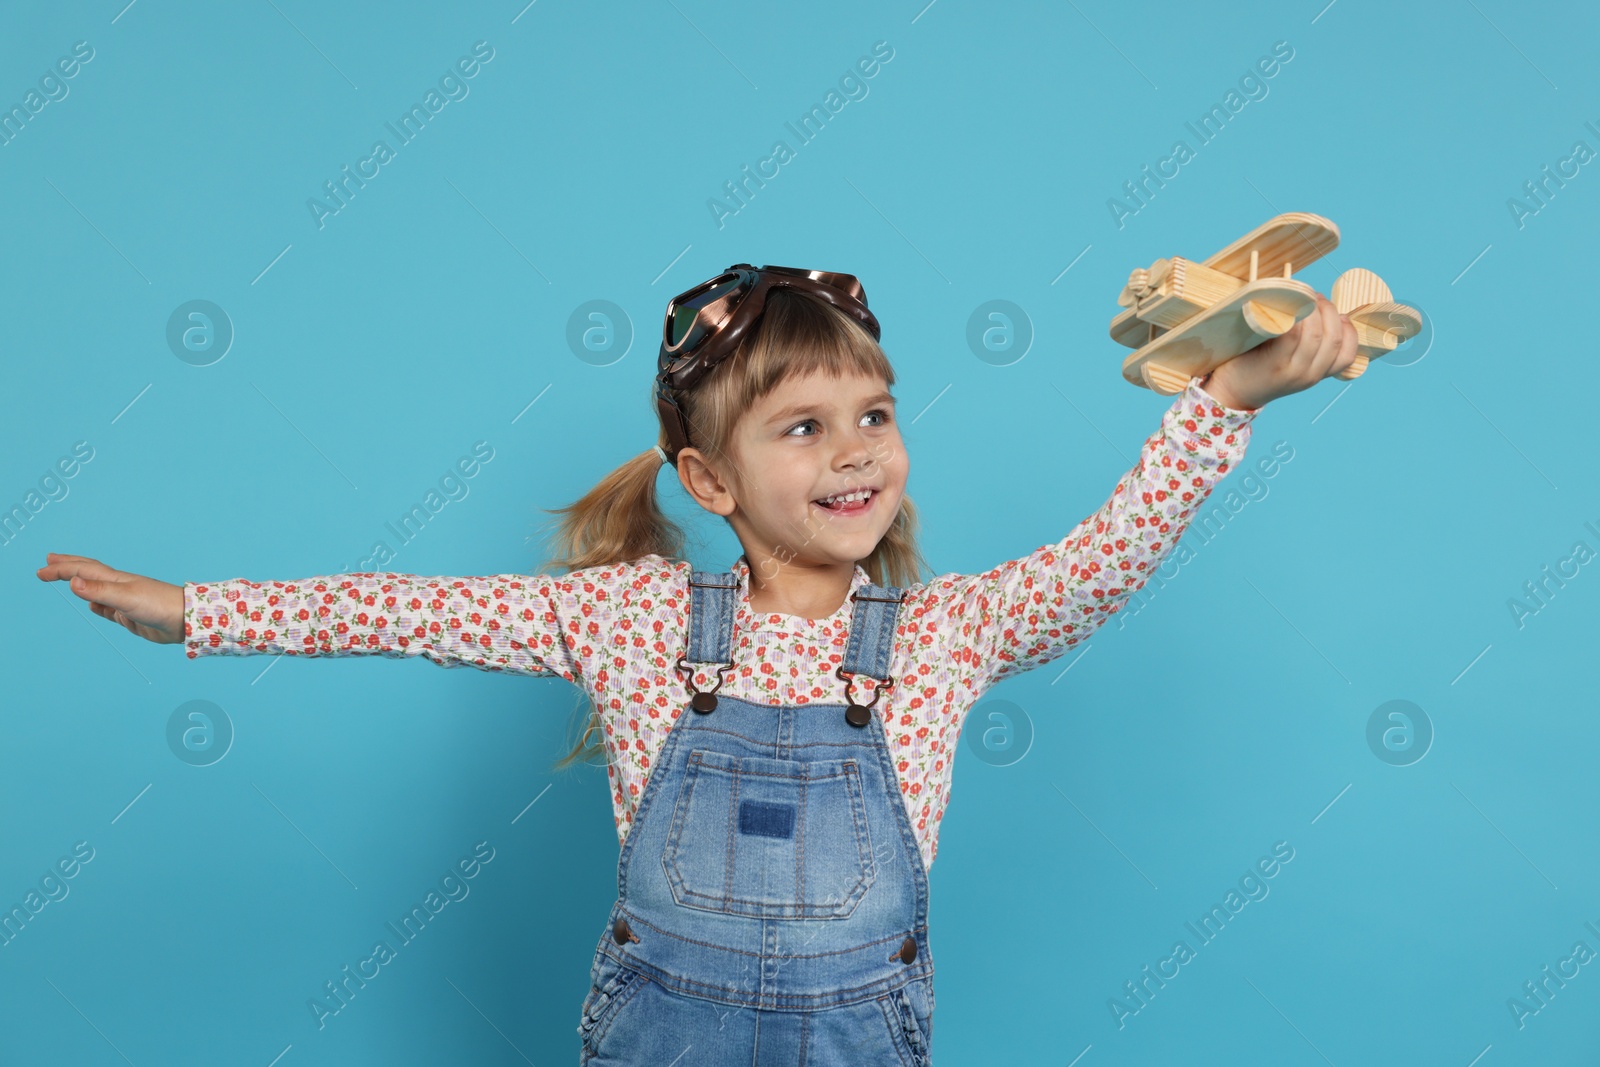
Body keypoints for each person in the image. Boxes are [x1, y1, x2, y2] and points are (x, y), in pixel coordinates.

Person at [36, 263, 1358, 1064]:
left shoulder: (950, 635)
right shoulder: (633, 620)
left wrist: (1221, 403)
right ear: (708, 478)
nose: (854, 451)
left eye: (874, 416)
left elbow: (1110, 555)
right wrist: (195, 610)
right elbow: (401, 608)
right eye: (802, 427)